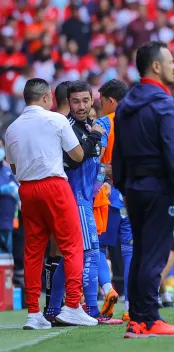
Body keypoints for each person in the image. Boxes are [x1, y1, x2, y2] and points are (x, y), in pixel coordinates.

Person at [113, 41, 174, 338]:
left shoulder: (125, 104)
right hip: (160, 189)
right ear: (157, 66)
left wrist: (124, 185)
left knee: (139, 254)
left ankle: (136, 319)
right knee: (154, 255)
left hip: (134, 188)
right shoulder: (164, 103)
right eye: (171, 61)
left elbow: (118, 151)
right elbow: (173, 152)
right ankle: (149, 318)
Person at [4, 78, 93, 329]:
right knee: (72, 245)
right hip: (54, 186)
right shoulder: (56, 120)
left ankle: (34, 313)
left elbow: (13, 166)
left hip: (27, 189)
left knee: (33, 251)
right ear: (46, 97)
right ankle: (73, 305)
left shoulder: (11, 128)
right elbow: (77, 155)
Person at [46, 80, 108, 325]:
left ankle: (53, 309)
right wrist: (94, 137)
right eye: (76, 101)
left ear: (92, 100)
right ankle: (89, 309)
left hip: (85, 199)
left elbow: (94, 165)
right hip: (74, 198)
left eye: (85, 100)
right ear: (67, 103)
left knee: (70, 256)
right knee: (90, 252)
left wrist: (102, 177)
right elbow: (73, 162)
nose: (81, 106)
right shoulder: (68, 127)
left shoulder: (88, 126)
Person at [93, 79, 131, 321]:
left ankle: (107, 289)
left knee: (97, 247)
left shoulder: (104, 123)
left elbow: (96, 161)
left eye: (101, 101)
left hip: (108, 196)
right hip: (133, 196)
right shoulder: (140, 122)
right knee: (130, 251)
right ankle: (131, 305)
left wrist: (107, 169)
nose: (100, 105)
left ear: (111, 101)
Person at [43, 80, 71, 316]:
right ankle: (59, 304)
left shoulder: (43, 122)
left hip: (38, 188)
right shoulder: (62, 122)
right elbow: (78, 155)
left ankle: (50, 305)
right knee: (67, 248)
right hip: (62, 190)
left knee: (52, 248)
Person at [0, 136, 18, 254]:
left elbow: (18, 187)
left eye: (0, 146)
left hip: (7, 221)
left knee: (7, 256)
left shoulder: (8, 170)